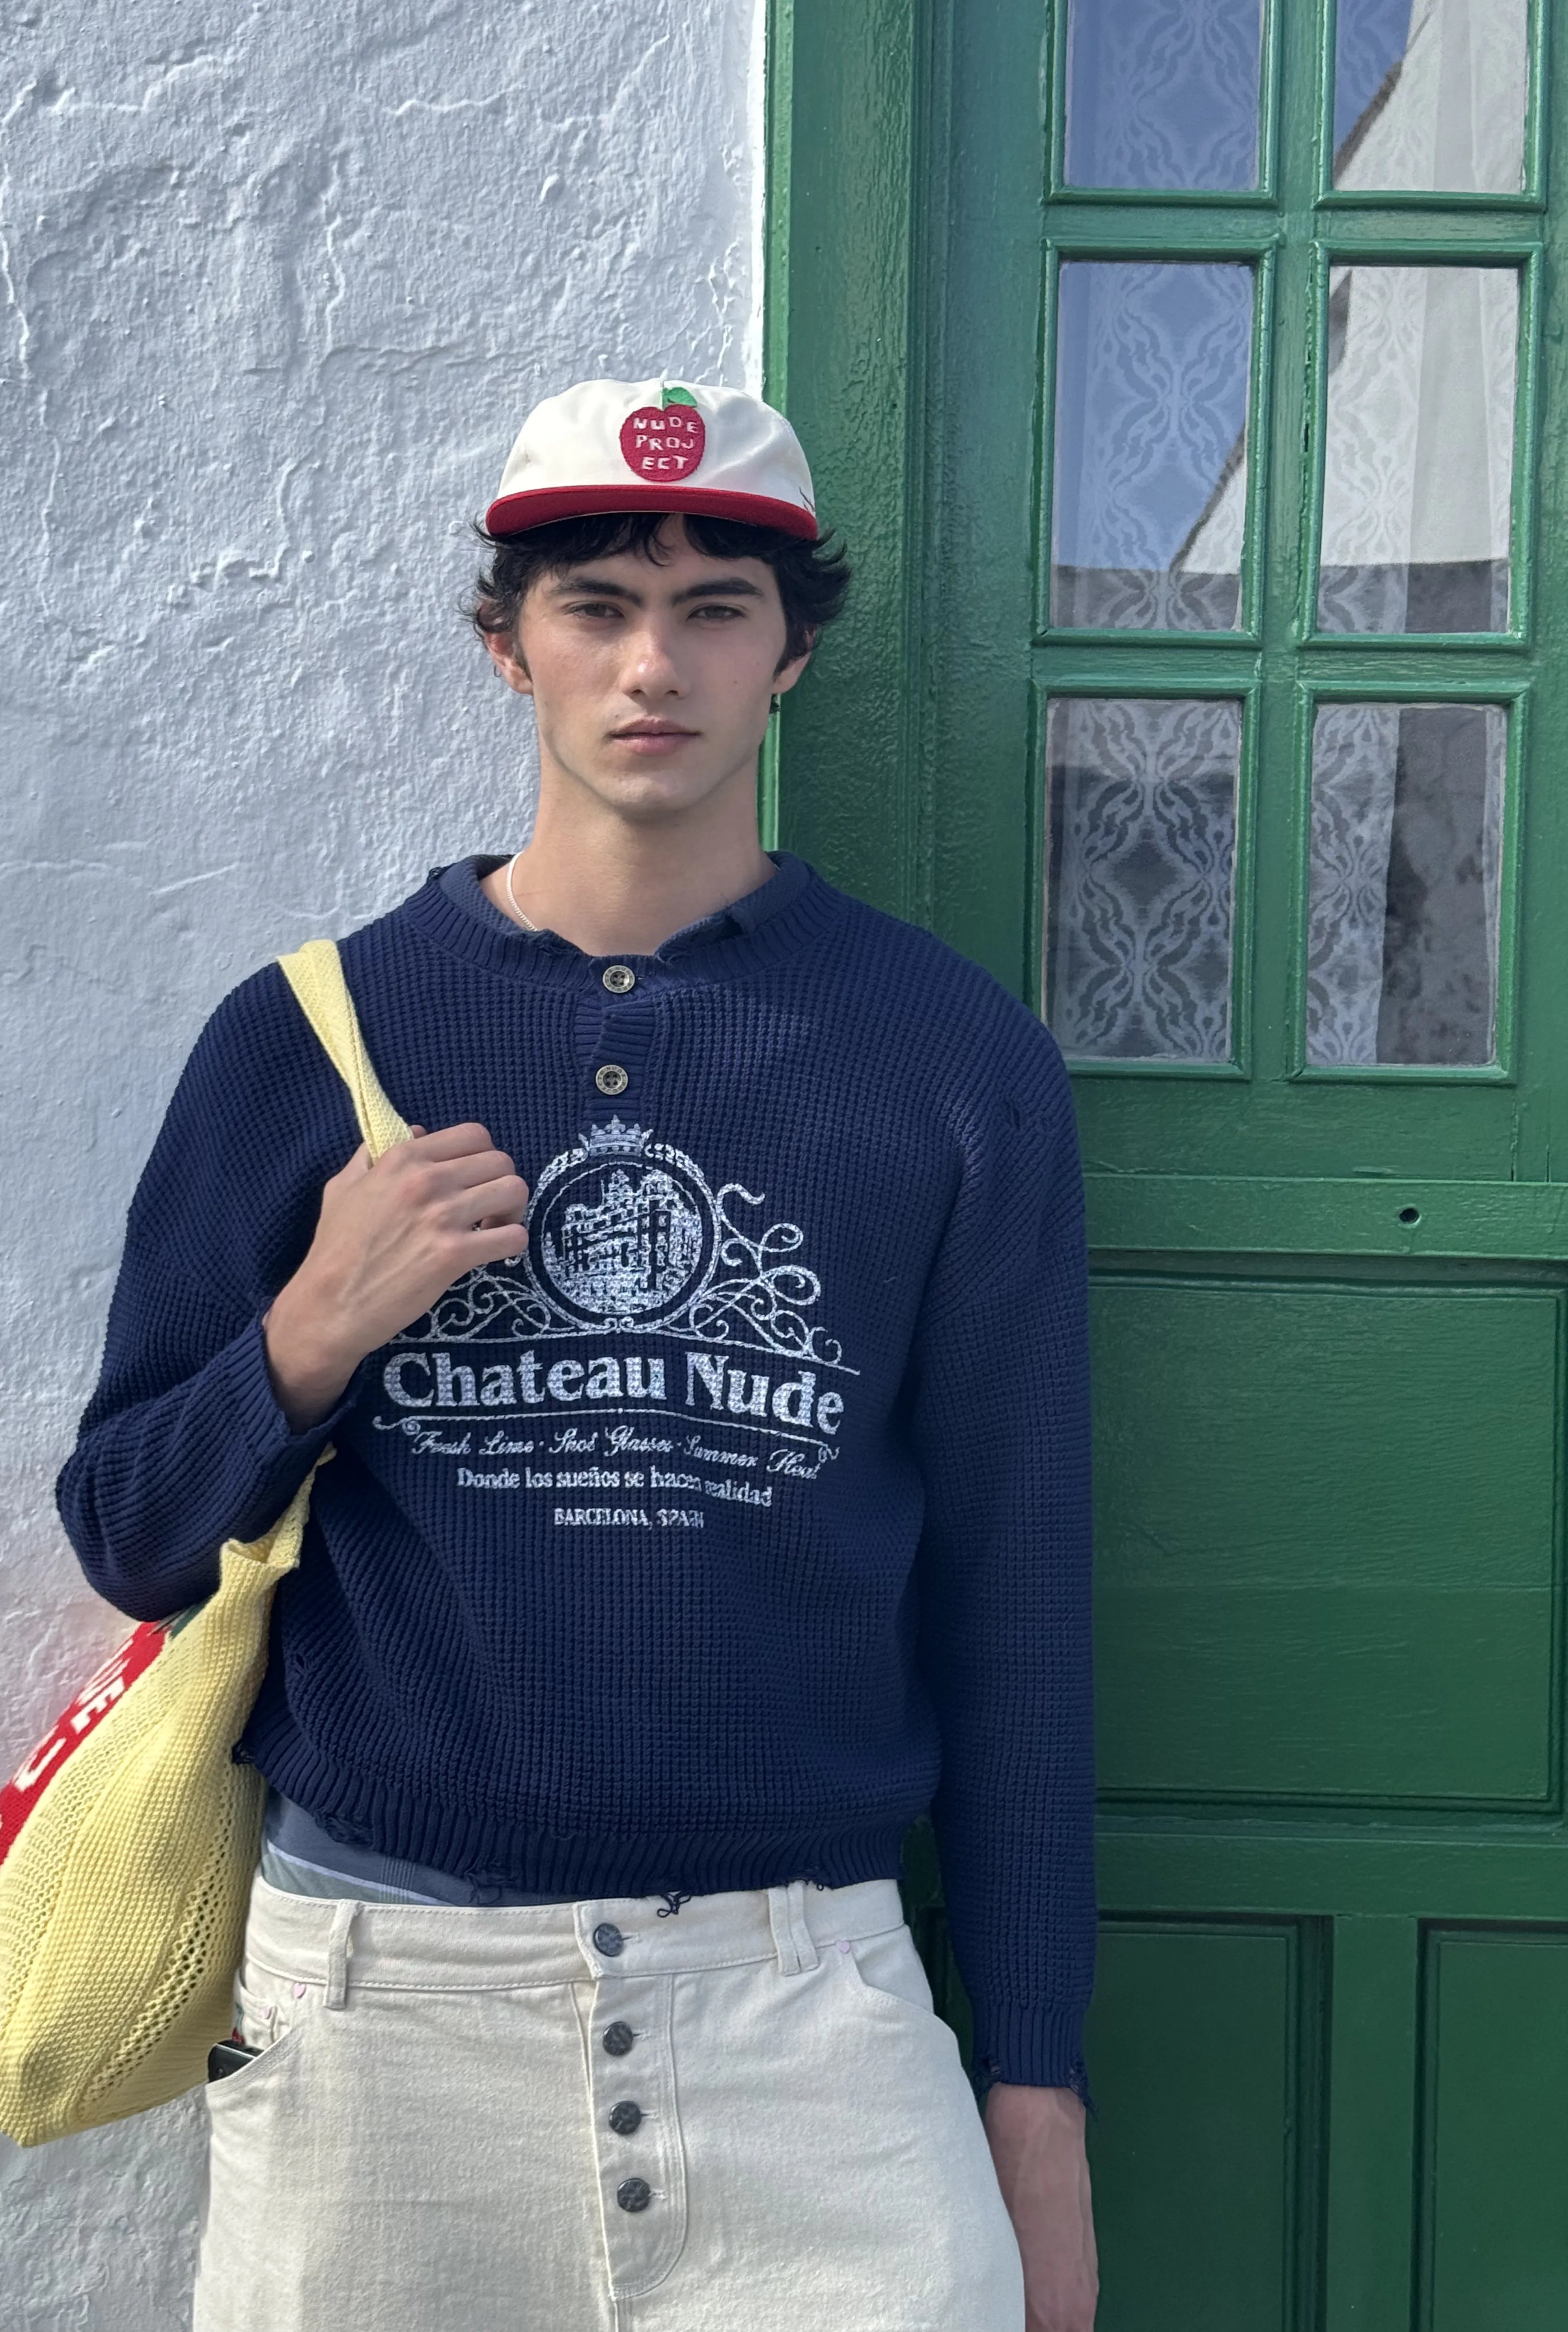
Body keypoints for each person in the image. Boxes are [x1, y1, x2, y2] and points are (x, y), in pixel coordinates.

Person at [58, 377, 1097, 2331]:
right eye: (597, 605)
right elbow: (128, 1529)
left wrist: (1034, 2092)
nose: (653, 665)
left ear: (791, 654)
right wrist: (309, 1331)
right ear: (506, 642)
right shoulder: (309, 1037)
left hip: (810, 2023)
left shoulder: (951, 1061)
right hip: (378, 2029)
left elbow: (1017, 1603)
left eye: (714, 609)